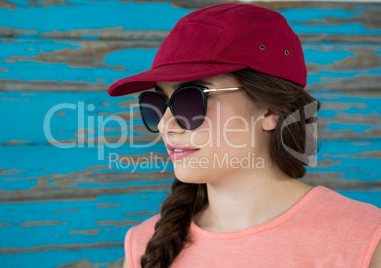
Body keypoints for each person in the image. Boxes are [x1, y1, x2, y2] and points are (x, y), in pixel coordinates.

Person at [107, 3, 381, 268]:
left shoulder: (364, 238)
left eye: (189, 100)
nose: (167, 124)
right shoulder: (144, 245)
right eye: (157, 104)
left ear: (269, 110)